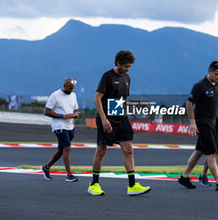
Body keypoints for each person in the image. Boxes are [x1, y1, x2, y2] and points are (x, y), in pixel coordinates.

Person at [88, 50, 151, 196]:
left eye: (130, 66)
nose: (128, 69)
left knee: (129, 149)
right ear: (117, 63)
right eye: (126, 66)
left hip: (121, 117)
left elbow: (125, 98)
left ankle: (132, 185)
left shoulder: (127, 77)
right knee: (101, 150)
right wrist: (104, 119)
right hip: (107, 119)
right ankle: (94, 184)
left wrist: (126, 114)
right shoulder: (107, 76)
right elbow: (97, 99)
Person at [178, 61, 218, 191]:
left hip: (212, 123)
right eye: (216, 74)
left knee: (199, 151)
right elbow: (189, 103)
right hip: (202, 124)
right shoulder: (199, 86)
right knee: (211, 152)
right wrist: (192, 123)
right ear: (209, 72)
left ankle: (184, 177)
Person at [41, 78, 80, 182]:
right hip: (59, 125)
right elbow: (47, 112)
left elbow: (75, 109)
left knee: (61, 150)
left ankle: (46, 167)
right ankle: (69, 174)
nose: (71, 90)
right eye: (69, 88)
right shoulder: (55, 95)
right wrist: (63, 116)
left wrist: (75, 114)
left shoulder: (73, 95)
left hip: (70, 126)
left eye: (73, 89)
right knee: (67, 147)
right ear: (64, 86)